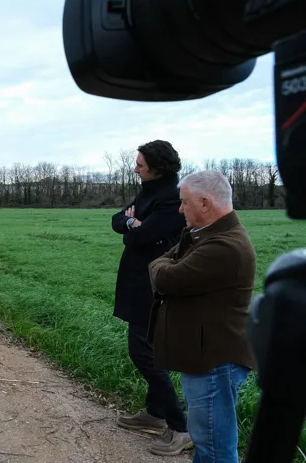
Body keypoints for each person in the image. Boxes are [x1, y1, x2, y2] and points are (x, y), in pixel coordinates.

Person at [148, 170, 256, 463]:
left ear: (205, 203)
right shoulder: (208, 236)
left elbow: (165, 277)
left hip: (214, 362)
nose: (180, 209)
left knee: (214, 448)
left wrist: (161, 265)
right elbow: (165, 263)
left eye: (184, 202)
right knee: (208, 441)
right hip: (207, 356)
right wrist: (164, 263)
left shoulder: (223, 246)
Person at [111, 140, 192, 455]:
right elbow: (118, 220)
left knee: (142, 352)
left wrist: (133, 230)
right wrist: (132, 222)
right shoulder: (150, 191)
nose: (135, 168)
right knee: (148, 350)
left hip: (153, 285)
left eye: (140, 165)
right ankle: (155, 415)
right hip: (137, 281)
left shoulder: (172, 198)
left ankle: (181, 427)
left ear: (157, 168)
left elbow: (143, 238)